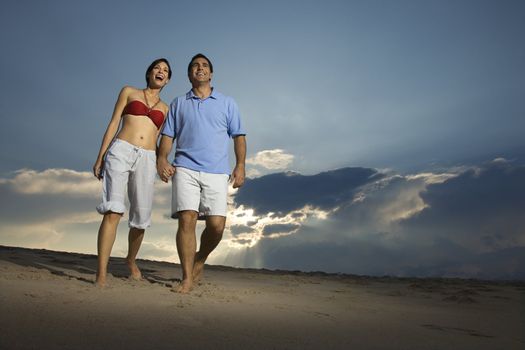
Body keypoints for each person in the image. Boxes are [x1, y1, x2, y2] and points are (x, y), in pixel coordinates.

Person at [157, 53, 246, 294]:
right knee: (187, 219)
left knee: (217, 225)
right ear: (188, 74)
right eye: (195, 66)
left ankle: (200, 258)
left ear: (211, 73)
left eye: (205, 65)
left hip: (217, 171)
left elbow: (239, 136)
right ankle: (186, 278)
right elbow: (167, 136)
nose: (200, 68)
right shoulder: (178, 103)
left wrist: (240, 165)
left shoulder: (227, 103)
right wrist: (162, 158)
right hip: (184, 167)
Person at [92, 58, 172, 287]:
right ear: (149, 73)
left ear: (167, 80)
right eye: (157, 68)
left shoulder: (166, 109)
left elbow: (161, 142)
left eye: (165, 71)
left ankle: (130, 259)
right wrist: (101, 156)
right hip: (121, 150)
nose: (160, 72)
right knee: (113, 211)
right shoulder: (129, 91)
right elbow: (114, 122)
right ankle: (101, 273)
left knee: (141, 218)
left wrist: (162, 162)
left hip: (147, 158)